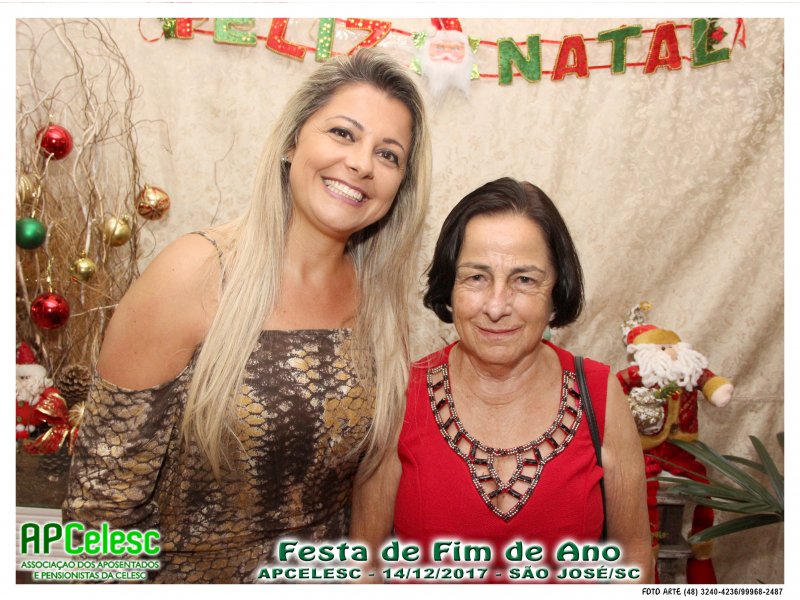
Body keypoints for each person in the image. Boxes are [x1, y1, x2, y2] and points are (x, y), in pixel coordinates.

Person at [63, 49, 431, 583]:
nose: (361, 164)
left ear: (399, 187)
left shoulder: (380, 303)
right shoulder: (193, 273)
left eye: (388, 154)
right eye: (343, 133)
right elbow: (101, 507)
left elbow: (375, 467)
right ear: (291, 142)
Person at [351, 177, 653, 583]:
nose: (496, 307)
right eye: (476, 277)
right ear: (450, 285)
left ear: (556, 290)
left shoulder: (599, 394)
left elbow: (634, 558)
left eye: (524, 280)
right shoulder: (402, 394)